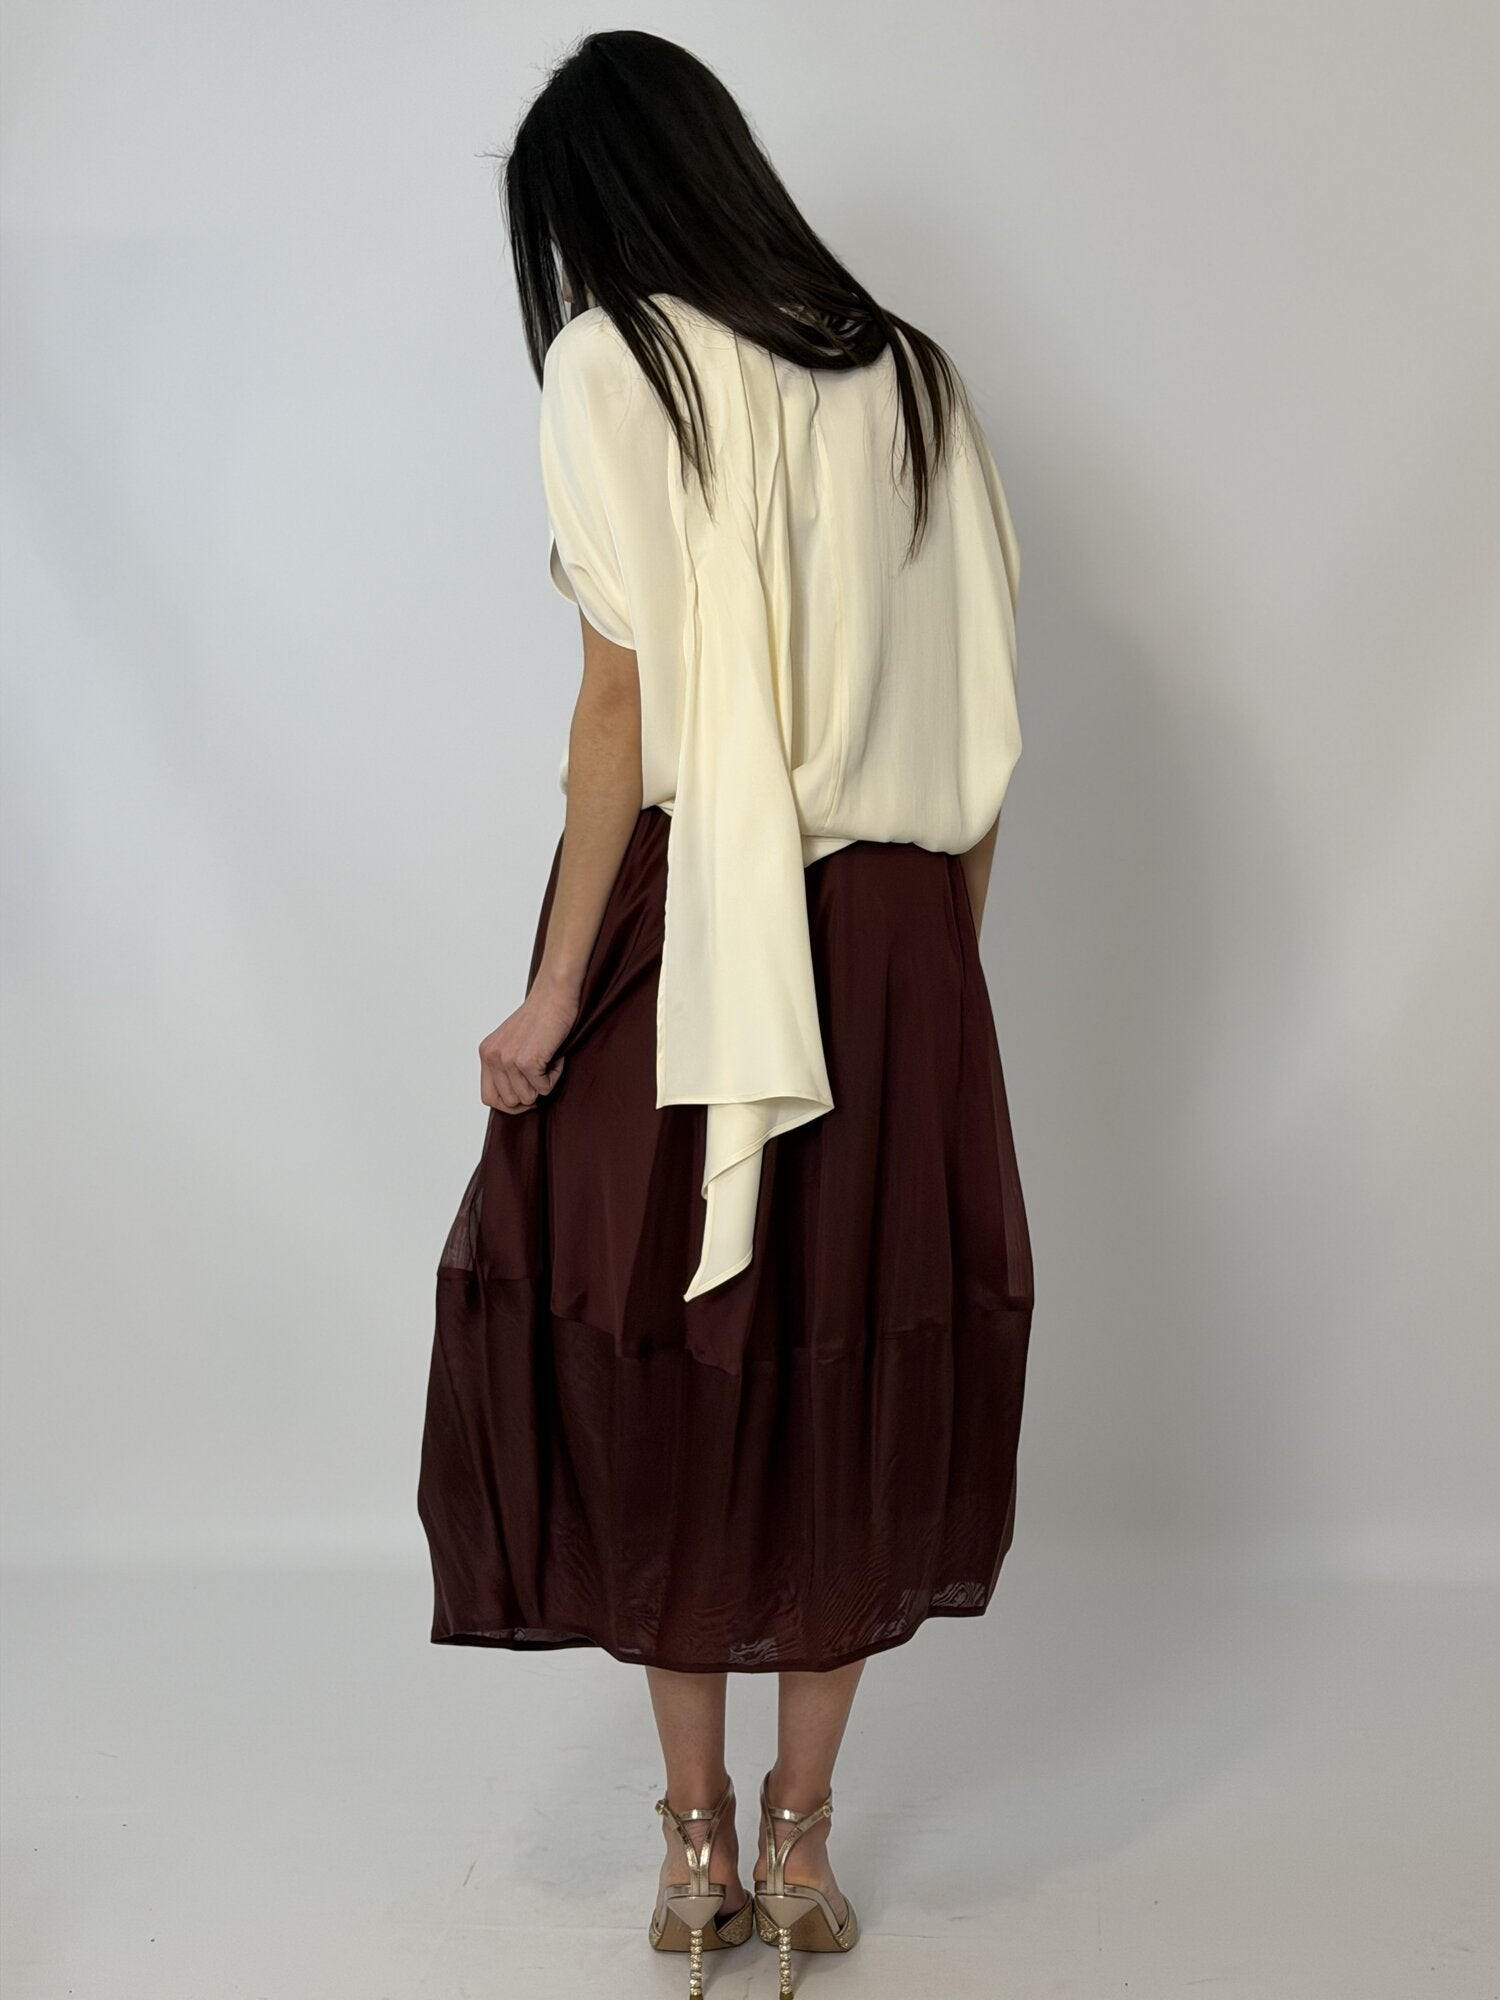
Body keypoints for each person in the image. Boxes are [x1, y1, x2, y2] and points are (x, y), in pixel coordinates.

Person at [416, 29, 1034, 1997]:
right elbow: (983, 722)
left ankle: (690, 1854)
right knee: (844, 1358)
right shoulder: (915, 375)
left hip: (698, 913)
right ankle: (800, 1846)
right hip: (906, 934)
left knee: (667, 1351)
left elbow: (617, 713)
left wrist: (553, 989)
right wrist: (936, 980)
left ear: (592, 209)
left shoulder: (620, 362)